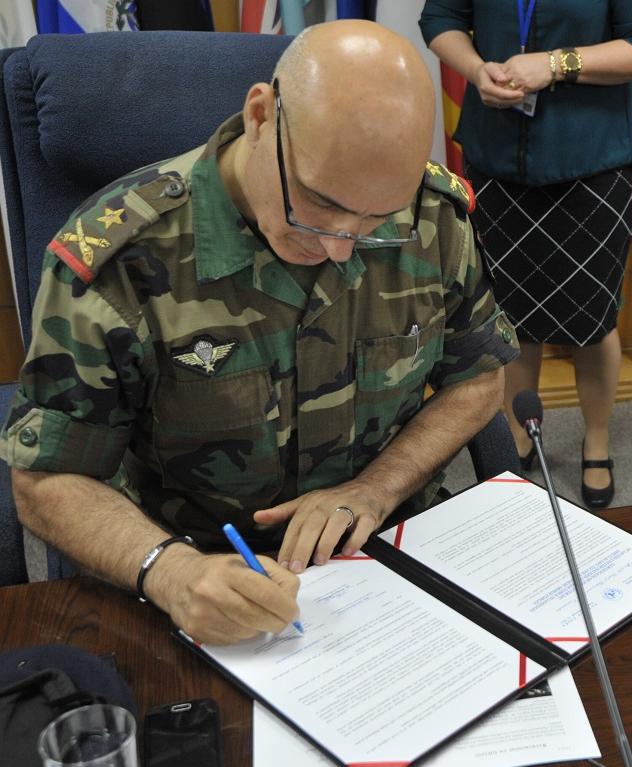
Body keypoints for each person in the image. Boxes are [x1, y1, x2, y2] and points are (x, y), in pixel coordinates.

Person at [1, 21, 518, 644]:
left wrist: (376, 489)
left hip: (386, 559)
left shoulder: (431, 216)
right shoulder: (122, 262)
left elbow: (478, 380)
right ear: (259, 116)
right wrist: (170, 572)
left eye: (376, 220)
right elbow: (45, 479)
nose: (339, 246)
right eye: (319, 204)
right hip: (193, 579)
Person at [420, 0, 632, 508]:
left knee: (592, 318)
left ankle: (596, 439)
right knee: (509, 313)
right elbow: (440, 19)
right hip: (496, 157)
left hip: (593, 162)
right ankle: (518, 434)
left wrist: (556, 64)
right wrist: (477, 70)